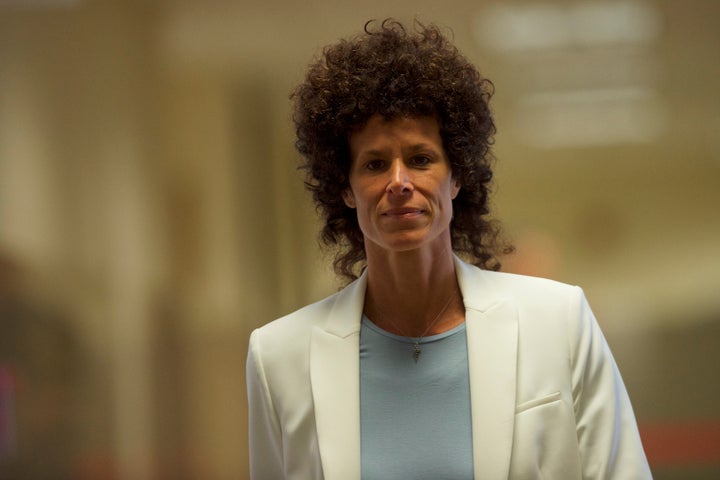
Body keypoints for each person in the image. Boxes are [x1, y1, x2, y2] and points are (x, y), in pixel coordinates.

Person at [246, 19, 651, 479]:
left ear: (456, 176)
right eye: (375, 164)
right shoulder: (278, 356)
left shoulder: (559, 320)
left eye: (420, 159)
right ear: (345, 187)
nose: (399, 183)